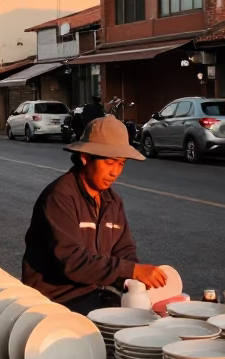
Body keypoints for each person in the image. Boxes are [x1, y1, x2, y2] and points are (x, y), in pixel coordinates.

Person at [22, 116, 167, 313]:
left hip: (93, 294)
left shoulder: (113, 201)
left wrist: (135, 279)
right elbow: (73, 262)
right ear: (85, 157)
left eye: (121, 164)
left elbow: (123, 250)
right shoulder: (59, 197)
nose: (115, 172)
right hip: (54, 301)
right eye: (109, 162)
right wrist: (131, 270)